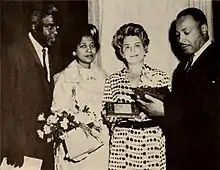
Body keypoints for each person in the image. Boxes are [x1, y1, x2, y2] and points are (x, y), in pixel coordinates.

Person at [140, 8, 220, 170]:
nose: (181, 39)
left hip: (210, 155)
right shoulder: (182, 67)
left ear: (203, 29)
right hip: (186, 156)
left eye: (186, 32)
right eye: (177, 35)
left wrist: (166, 110)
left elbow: (211, 104)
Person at [102, 23, 171, 170]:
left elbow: (171, 112)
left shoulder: (160, 77)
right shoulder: (112, 80)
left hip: (152, 142)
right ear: (121, 52)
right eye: (127, 47)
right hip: (122, 144)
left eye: (137, 45)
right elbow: (106, 109)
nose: (132, 51)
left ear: (145, 48)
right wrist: (109, 117)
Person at [1, 3, 61, 170]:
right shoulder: (13, 53)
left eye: (57, 26)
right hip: (21, 146)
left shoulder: (53, 53)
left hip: (46, 145)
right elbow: (5, 103)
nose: (55, 31)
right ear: (34, 26)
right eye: (50, 27)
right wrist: (12, 144)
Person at [51, 24, 109, 170]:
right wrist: (81, 123)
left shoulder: (102, 74)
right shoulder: (66, 76)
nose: (89, 50)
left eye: (92, 45)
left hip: (101, 141)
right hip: (79, 142)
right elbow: (59, 110)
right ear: (74, 50)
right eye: (83, 46)